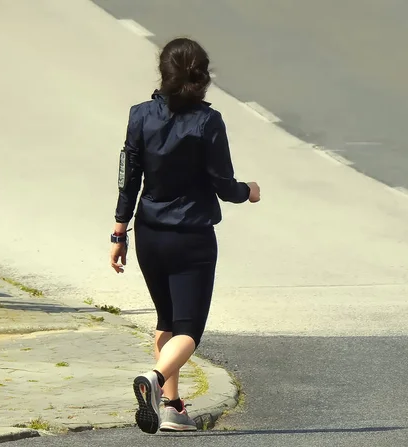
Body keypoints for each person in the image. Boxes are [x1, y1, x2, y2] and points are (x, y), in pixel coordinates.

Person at [109, 37, 260, 434]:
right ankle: (154, 380)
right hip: (191, 237)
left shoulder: (140, 115)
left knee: (167, 319)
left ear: (164, 72)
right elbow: (224, 185)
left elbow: (129, 179)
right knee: (189, 330)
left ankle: (173, 408)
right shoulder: (208, 122)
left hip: (150, 234)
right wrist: (249, 191)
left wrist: (119, 231)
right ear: (203, 76)